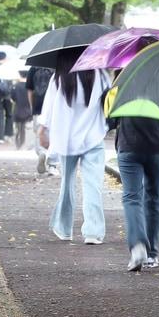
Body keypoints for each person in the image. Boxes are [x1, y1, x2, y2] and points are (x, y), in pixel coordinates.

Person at [40, 53, 109, 244]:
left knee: (67, 183)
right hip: (93, 137)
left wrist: (42, 129)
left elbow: (49, 107)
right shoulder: (100, 74)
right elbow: (109, 102)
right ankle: (93, 232)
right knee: (93, 185)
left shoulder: (60, 76)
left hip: (66, 139)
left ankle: (64, 229)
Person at [109, 109, 159, 271]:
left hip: (129, 145)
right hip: (158, 145)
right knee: (154, 198)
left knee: (132, 197)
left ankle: (138, 245)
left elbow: (110, 119)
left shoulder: (123, 85)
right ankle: (151, 254)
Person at [26, 66, 58, 175]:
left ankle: (41, 152)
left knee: (39, 133)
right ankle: (52, 165)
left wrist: (32, 107)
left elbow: (30, 90)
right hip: (53, 107)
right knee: (54, 135)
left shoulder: (33, 68)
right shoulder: (56, 69)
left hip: (38, 105)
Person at [0, 52, 18, 144]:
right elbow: (14, 81)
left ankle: (0, 137)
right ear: (5, 58)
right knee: (9, 114)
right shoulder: (9, 68)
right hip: (8, 95)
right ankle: (8, 135)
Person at [11, 67, 34, 149]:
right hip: (28, 110)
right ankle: (24, 143)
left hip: (18, 109)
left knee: (18, 128)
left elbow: (13, 97)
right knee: (25, 128)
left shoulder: (15, 86)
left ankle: (18, 143)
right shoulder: (31, 86)